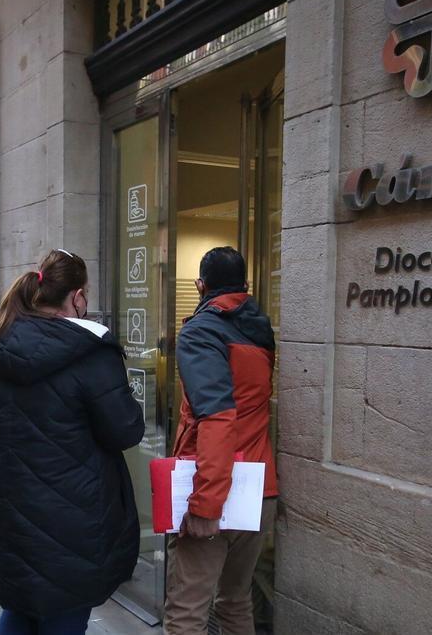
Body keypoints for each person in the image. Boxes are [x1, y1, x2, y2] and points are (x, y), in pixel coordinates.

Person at [0, 249, 144, 635]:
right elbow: (125, 431)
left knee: (22, 604)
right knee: (63, 611)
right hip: (71, 515)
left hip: (6, 507)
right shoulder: (90, 350)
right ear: (78, 296)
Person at [164, 247, 277, 635]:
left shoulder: (201, 331)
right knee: (235, 600)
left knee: (187, 610)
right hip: (258, 490)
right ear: (245, 285)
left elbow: (216, 418)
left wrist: (206, 504)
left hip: (219, 488)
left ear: (200, 286)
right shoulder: (260, 329)